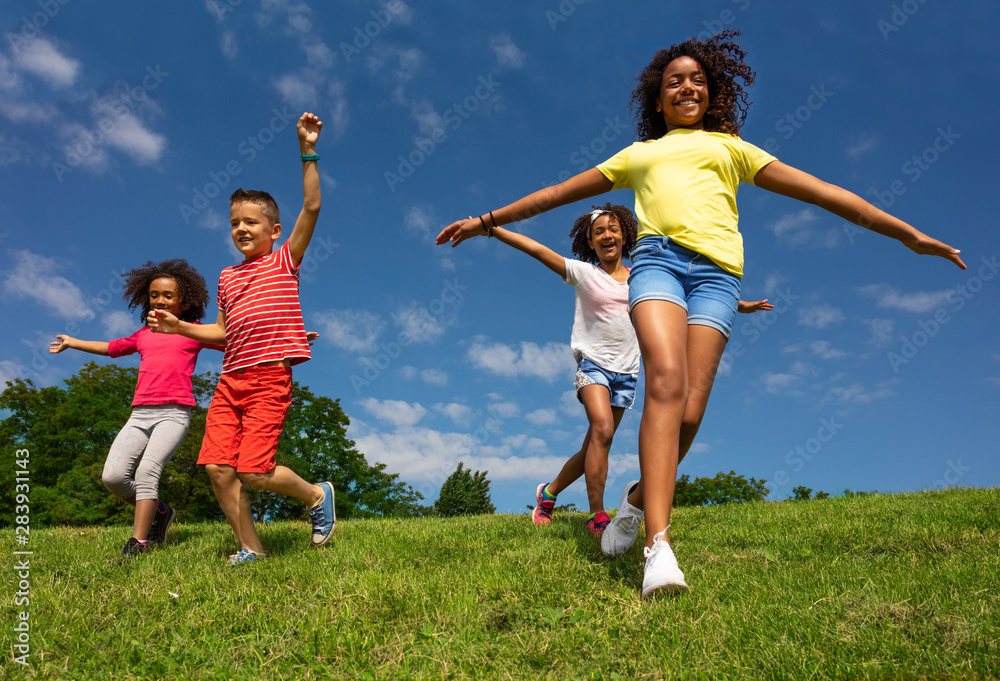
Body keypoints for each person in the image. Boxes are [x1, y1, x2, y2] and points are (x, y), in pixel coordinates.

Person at [436, 30, 964, 598]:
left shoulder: (733, 150)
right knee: (665, 381)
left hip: (718, 277)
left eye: (697, 80)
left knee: (688, 414)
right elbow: (557, 193)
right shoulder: (639, 155)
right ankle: (658, 548)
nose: (687, 87)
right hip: (657, 263)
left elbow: (823, 192)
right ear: (657, 99)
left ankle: (635, 502)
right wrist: (487, 221)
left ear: (712, 93)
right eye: (674, 81)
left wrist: (907, 235)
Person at [147, 112, 336, 565]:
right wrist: (179, 326)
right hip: (231, 381)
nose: (242, 229)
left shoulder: (284, 260)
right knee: (217, 467)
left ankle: (315, 495)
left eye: (251, 222)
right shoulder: (227, 276)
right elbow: (223, 332)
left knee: (253, 470)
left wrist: (308, 152)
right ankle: (251, 548)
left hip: (269, 380)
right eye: (235, 223)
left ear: (274, 230)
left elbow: (311, 207)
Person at [49, 259, 222, 558]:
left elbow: (233, 339)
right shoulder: (143, 335)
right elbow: (110, 348)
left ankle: (138, 542)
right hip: (140, 414)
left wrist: (289, 339)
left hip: (174, 413)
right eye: (154, 295)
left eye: (168, 295)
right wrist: (73, 342)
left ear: (184, 302)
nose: (160, 300)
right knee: (113, 478)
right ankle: (161, 512)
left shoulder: (193, 331)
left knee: (146, 472)